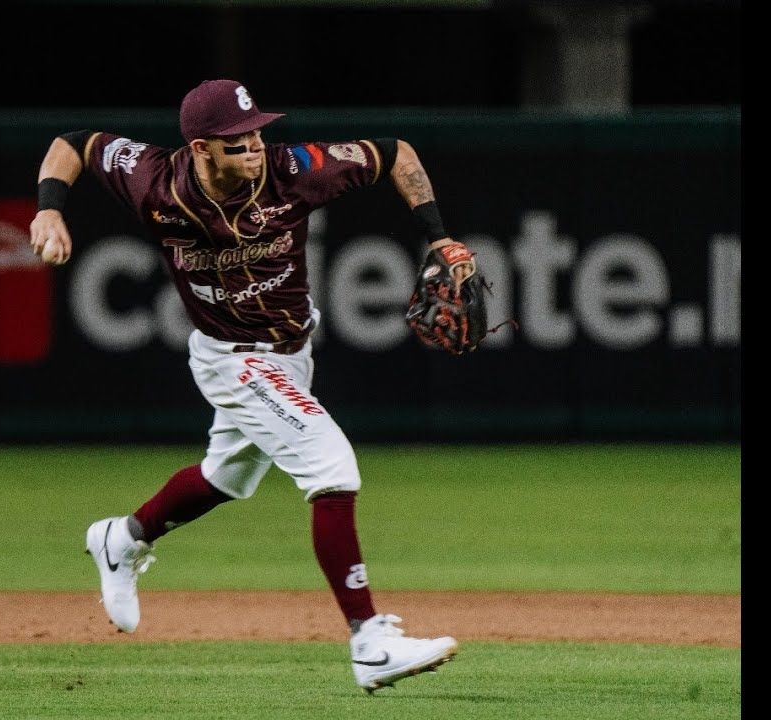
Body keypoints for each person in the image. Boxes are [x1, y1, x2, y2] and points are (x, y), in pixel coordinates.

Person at [29, 79, 464, 693]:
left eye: (256, 133)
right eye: (237, 142)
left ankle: (122, 538)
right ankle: (370, 642)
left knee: (226, 477)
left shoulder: (296, 170)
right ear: (200, 149)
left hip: (290, 355)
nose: (255, 148)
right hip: (233, 358)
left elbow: (395, 153)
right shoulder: (154, 178)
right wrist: (49, 206)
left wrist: (438, 234)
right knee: (330, 466)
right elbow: (74, 144)